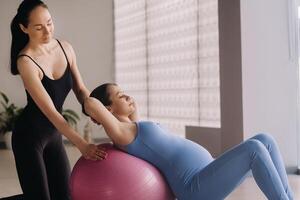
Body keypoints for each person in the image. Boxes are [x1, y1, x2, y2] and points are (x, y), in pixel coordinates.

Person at [83, 83, 294, 200]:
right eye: (120, 95)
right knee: (254, 149)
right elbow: (91, 103)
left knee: (265, 140)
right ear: (108, 109)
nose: (128, 96)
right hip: (195, 188)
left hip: (208, 169)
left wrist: (129, 107)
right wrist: (100, 108)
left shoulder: (131, 127)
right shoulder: (121, 133)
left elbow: (141, 133)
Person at [6, 1, 107, 200]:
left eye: (50, 23)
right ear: (24, 28)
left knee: (64, 197)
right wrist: (82, 144)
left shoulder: (65, 48)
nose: (47, 31)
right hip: (29, 138)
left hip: (53, 135)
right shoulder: (26, 62)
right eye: (38, 27)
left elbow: (80, 89)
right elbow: (51, 112)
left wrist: (97, 112)